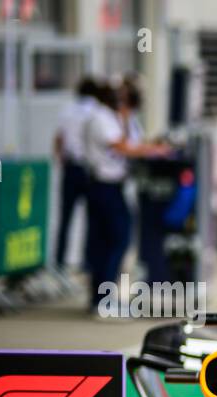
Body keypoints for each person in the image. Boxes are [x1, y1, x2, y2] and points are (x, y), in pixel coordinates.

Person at [83, 80, 169, 316]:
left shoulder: (118, 117)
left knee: (110, 241)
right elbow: (122, 147)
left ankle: (101, 297)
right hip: (103, 186)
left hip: (113, 186)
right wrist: (154, 150)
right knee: (117, 240)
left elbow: (135, 142)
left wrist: (153, 145)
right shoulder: (102, 117)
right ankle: (103, 298)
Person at [52, 76, 99, 273]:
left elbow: (59, 139)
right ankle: (88, 262)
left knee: (65, 217)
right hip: (90, 169)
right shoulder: (97, 112)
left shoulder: (67, 110)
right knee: (92, 218)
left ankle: (60, 263)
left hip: (71, 167)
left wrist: (60, 160)